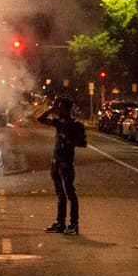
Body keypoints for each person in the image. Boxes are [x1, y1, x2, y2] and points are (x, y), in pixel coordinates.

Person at [37, 96, 81, 235]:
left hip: (66, 163)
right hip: (56, 162)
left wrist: (68, 140)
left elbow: (81, 142)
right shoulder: (59, 123)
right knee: (60, 194)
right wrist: (51, 109)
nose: (58, 111)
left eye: (60, 108)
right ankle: (60, 222)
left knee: (70, 194)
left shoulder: (73, 125)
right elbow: (40, 119)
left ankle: (74, 224)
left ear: (66, 109)